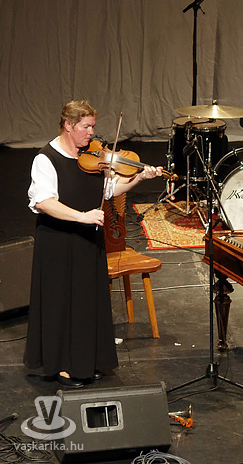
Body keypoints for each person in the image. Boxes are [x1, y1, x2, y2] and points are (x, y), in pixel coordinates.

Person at [24, 100, 162, 388]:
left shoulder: (91, 158)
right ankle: (63, 366)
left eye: (92, 127)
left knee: (87, 302)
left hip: (88, 241)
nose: (91, 133)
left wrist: (138, 177)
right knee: (62, 303)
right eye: (86, 127)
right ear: (68, 125)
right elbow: (44, 202)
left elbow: (110, 190)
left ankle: (85, 362)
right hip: (59, 242)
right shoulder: (46, 159)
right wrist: (82, 217)